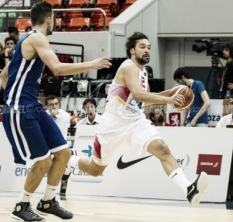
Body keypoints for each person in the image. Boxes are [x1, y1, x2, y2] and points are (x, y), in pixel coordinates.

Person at [64, 32, 208, 207]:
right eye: (142, 47)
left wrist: (172, 92)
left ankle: (189, 190)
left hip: (135, 122)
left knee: (162, 148)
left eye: (149, 47)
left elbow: (147, 97)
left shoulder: (144, 72)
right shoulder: (128, 67)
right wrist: (169, 100)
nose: (147, 50)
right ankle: (70, 160)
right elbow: (139, 95)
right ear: (132, 50)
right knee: (95, 170)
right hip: (113, 125)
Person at [0, 1, 111, 222]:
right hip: (20, 109)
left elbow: (4, 75)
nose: (55, 23)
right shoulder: (36, 38)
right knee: (44, 160)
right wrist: (92, 64)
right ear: (49, 18)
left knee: (63, 153)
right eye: (55, 19)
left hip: (33, 106)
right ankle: (21, 205)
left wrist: (16, 95)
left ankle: (48, 201)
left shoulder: (28, 41)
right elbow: (58, 68)